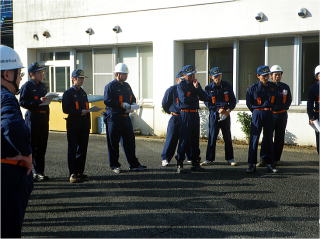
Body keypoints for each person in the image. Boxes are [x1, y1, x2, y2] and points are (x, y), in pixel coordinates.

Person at [1, 45, 33, 238]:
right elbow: (11, 127)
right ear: (6, 74)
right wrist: (25, 156)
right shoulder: (6, 98)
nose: (21, 77)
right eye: (18, 73)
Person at [103, 63, 146, 174]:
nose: (126, 76)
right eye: (124, 74)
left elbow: (133, 97)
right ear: (117, 74)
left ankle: (134, 164)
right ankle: (114, 165)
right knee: (113, 143)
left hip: (126, 117)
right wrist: (120, 104)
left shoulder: (126, 86)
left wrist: (133, 104)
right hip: (114, 117)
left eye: (126, 74)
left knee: (130, 142)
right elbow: (107, 101)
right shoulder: (110, 86)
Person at [19, 62, 50, 182]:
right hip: (33, 119)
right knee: (32, 146)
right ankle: (30, 173)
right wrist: (37, 102)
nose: (42, 74)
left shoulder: (43, 86)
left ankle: (40, 172)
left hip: (43, 119)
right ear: (32, 74)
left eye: (42, 72)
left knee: (42, 147)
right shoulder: (27, 86)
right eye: (39, 72)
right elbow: (22, 102)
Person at [201, 67, 237, 166]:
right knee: (212, 137)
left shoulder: (227, 85)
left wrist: (228, 110)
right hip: (214, 115)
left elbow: (233, 100)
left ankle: (230, 158)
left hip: (225, 114)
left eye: (219, 75)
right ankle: (209, 159)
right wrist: (217, 110)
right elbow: (207, 102)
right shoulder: (208, 88)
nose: (218, 77)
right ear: (211, 77)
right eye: (215, 76)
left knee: (227, 137)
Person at [176, 65, 208, 173]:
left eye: (193, 74)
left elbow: (205, 97)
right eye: (190, 75)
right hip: (185, 114)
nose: (192, 76)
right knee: (184, 140)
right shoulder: (181, 86)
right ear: (184, 75)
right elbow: (184, 100)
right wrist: (194, 95)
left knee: (195, 140)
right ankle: (180, 163)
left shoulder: (196, 84)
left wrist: (197, 89)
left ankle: (195, 163)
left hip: (194, 114)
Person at [246, 65, 278, 173]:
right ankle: (251, 164)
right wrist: (256, 111)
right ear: (258, 76)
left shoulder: (273, 87)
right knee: (254, 139)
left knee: (269, 139)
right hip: (257, 113)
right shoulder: (253, 88)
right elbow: (249, 103)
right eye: (263, 76)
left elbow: (276, 101)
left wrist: (269, 110)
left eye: (267, 75)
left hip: (269, 113)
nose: (266, 77)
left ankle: (269, 163)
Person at [259, 65, 292, 166]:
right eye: (275, 75)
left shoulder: (285, 87)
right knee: (267, 137)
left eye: (279, 74)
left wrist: (284, 107)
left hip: (282, 115)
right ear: (271, 76)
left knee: (279, 138)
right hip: (270, 115)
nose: (278, 76)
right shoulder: (267, 86)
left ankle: (276, 159)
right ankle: (263, 159)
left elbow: (289, 100)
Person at [62, 69, 90, 183]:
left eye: (83, 78)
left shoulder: (83, 92)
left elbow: (86, 107)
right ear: (73, 79)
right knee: (73, 149)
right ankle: (72, 173)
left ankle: (80, 172)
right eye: (80, 78)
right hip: (73, 124)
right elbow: (65, 109)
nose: (82, 80)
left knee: (82, 149)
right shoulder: (68, 93)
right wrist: (79, 112)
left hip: (84, 125)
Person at [307, 65, 320, 154]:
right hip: (318, 115)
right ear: (316, 76)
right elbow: (310, 104)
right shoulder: (313, 88)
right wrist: (311, 117)